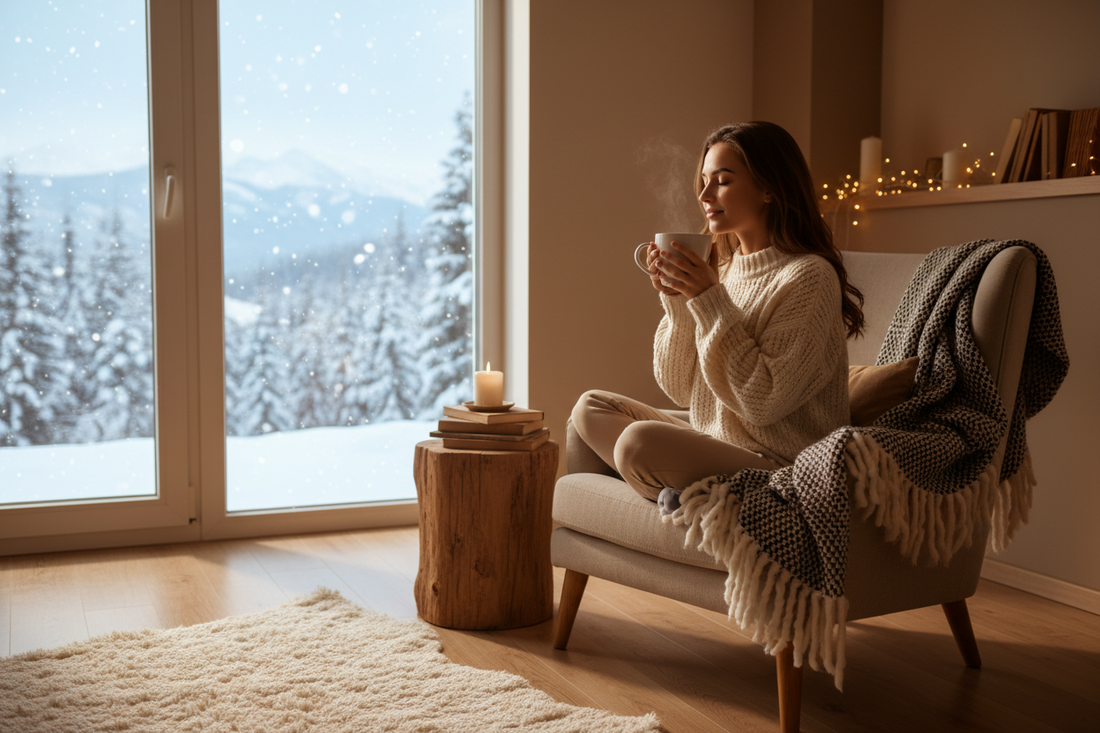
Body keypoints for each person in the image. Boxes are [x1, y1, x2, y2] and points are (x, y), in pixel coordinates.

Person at [571, 121, 865, 514]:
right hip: (716, 442)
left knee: (636, 443)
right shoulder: (722, 269)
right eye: (704, 181)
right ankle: (684, 491)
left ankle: (688, 493)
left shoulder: (809, 277)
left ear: (769, 188)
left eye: (722, 181)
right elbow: (680, 389)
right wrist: (680, 302)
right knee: (590, 408)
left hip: (780, 466)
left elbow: (762, 403)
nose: (704, 194)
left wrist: (707, 298)